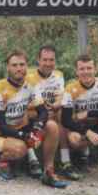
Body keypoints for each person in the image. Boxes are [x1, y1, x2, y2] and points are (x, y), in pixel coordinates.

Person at [0, 49, 68, 188]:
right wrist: (24, 135)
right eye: (14, 65)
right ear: (8, 67)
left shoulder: (31, 83)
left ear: (27, 66)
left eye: (22, 65)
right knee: (21, 149)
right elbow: (1, 126)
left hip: (18, 128)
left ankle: (48, 171)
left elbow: (43, 112)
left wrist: (38, 126)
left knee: (51, 126)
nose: (19, 68)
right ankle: (0, 159)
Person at [61, 54, 98, 185]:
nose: (86, 72)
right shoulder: (70, 88)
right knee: (74, 139)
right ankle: (73, 158)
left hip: (97, 125)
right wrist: (86, 131)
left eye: (89, 68)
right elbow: (66, 120)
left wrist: (89, 113)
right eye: (82, 69)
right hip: (79, 128)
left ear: (95, 69)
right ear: (76, 71)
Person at [26, 45, 80, 180]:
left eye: (51, 60)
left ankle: (65, 161)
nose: (48, 63)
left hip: (50, 111)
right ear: (38, 60)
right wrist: (43, 111)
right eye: (45, 60)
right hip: (32, 113)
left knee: (63, 112)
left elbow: (60, 97)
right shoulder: (28, 76)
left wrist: (56, 105)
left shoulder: (58, 74)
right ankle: (32, 157)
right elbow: (23, 103)